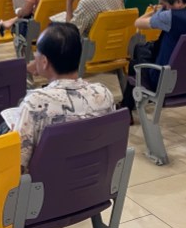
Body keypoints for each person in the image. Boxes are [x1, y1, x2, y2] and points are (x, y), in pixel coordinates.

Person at [12, 23, 114, 170]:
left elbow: (18, 164)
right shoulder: (104, 94)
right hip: (93, 179)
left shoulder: (35, 104)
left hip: (47, 188)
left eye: (37, 53)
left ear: (45, 62)